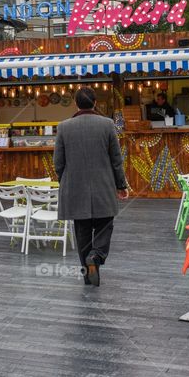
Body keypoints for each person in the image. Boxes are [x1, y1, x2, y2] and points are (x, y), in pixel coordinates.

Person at [54, 86, 129, 287]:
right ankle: (96, 256)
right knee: (105, 225)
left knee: (82, 233)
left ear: (76, 104)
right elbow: (116, 159)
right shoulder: (107, 125)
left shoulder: (63, 127)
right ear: (95, 103)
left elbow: (58, 163)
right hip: (103, 186)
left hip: (74, 188)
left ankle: (88, 275)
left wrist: (66, 181)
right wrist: (121, 184)